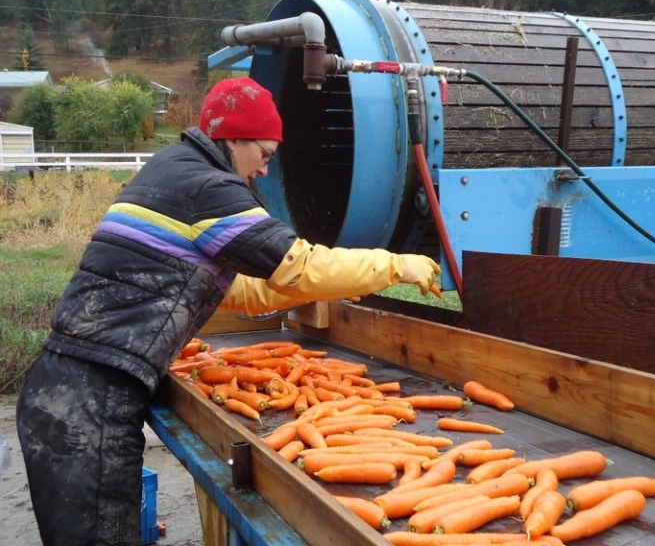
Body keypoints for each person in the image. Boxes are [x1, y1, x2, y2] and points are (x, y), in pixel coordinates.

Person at [16, 76, 441, 546]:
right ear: (235, 138)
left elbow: (240, 293)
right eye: (264, 155)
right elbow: (298, 266)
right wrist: (394, 265)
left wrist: (335, 286)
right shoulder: (210, 188)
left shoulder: (173, 168)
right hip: (91, 395)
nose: (263, 171)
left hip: (69, 385)